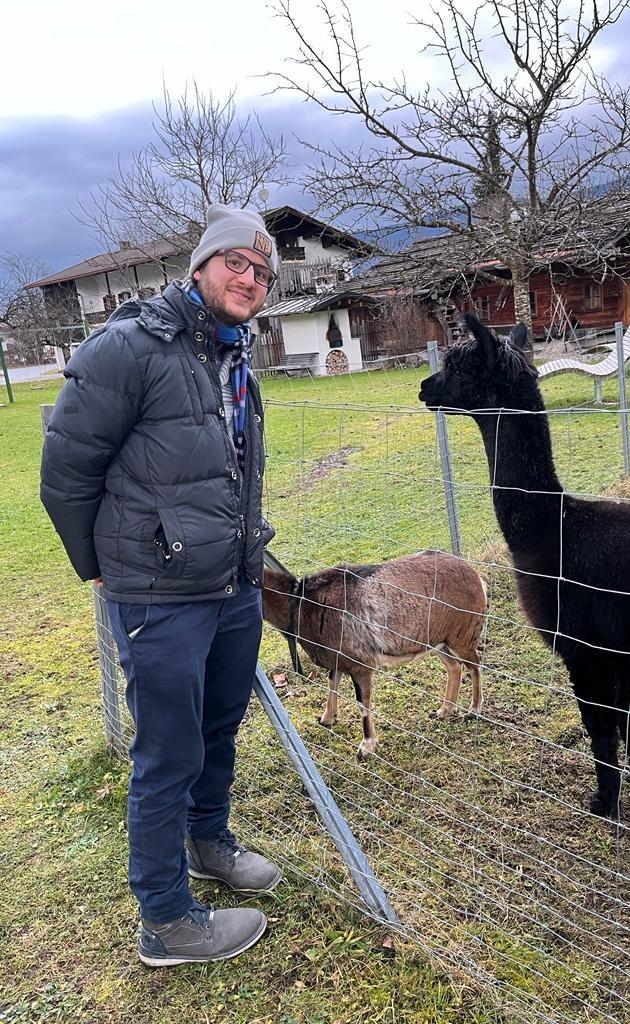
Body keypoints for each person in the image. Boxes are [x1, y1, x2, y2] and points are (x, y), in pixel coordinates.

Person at [41, 205, 284, 967]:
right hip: (159, 595)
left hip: (231, 584)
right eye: (236, 264)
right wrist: (105, 570)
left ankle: (208, 842)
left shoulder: (235, 353)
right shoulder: (129, 348)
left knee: (218, 730)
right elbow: (65, 473)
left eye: (262, 272)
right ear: (201, 268)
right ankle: (167, 921)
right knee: (166, 755)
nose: (249, 279)